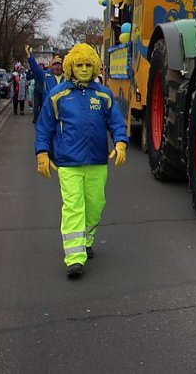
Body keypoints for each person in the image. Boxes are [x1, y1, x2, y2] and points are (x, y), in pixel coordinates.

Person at [34, 43, 128, 279]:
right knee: (74, 207)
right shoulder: (58, 95)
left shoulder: (103, 94)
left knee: (95, 205)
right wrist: (42, 153)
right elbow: (44, 126)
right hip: (68, 162)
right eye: (79, 65)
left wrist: (121, 142)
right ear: (70, 67)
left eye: (88, 65)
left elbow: (116, 121)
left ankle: (86, 240)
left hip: (97, 161)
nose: (84, 69)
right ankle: (74, 257)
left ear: (94, 66)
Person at [26, 47, 65, 124]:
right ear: (51, 66)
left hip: (63, 109)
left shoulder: (67, 77)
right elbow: (35, 68)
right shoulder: (45, 75)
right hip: (49, 108)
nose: (57, 67)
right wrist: (30, 56)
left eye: (59, 65)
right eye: (55, 65)